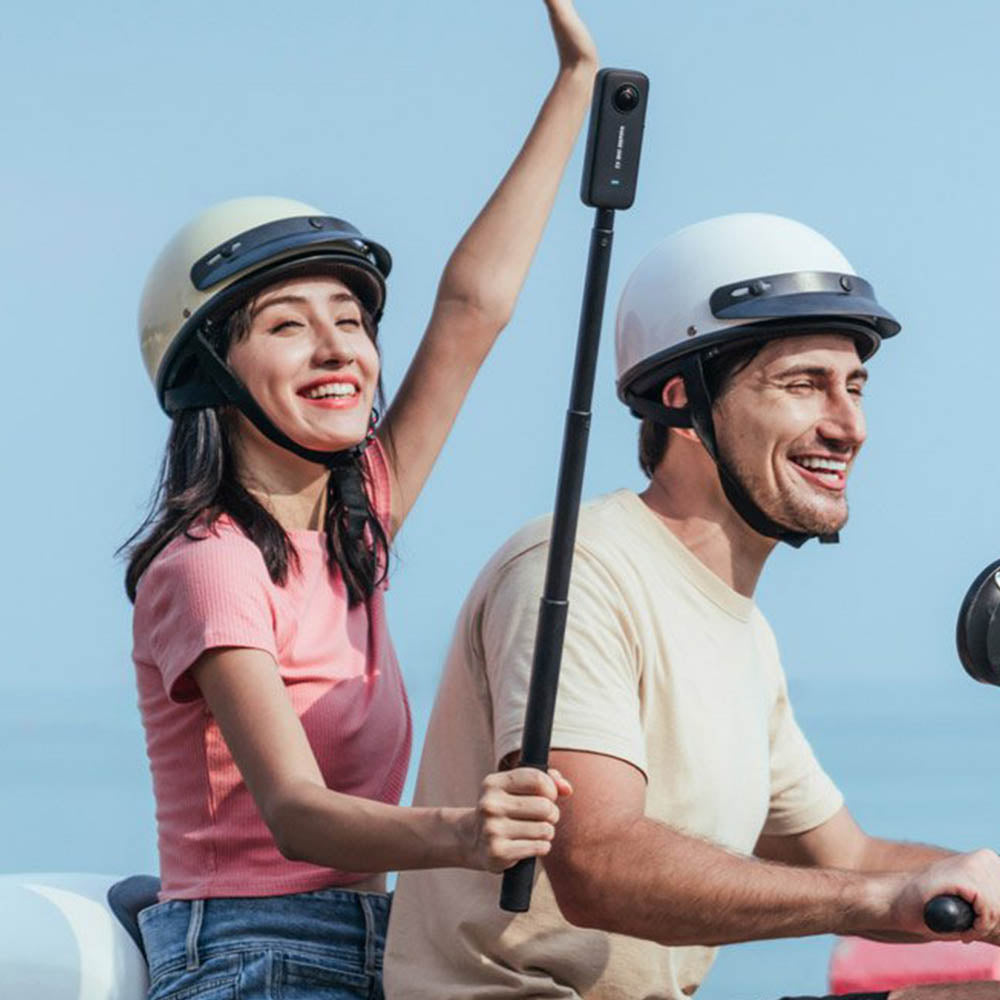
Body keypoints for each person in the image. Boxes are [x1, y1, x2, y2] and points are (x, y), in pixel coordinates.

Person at [385, 212, 1000, 1000]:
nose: (850, 426)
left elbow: (842, 857)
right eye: (803, 384)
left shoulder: (746, 635)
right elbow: (599, 866)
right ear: (683, 399)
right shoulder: (578, 572)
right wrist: (878, 900)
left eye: (855, 387)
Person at [123, 4, 597, 999]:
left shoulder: (353, 527)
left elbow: (472, 313)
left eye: (350, 318)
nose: (339, 346)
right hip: (251, 951)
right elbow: (295, 810)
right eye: (289, 326)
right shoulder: (209, 564)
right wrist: (467, 831)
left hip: (380, 938)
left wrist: (575, 88)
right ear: (211, 370)